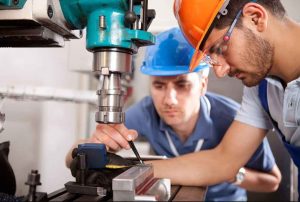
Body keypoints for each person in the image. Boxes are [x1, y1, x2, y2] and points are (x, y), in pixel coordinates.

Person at [66, 28, 281, 201]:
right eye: (159, 86)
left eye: (182, 85)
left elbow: (272, 181)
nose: (169, 99)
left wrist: (229, 170)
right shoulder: (147, 111)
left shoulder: (233, 118)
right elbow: (71, 158)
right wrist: (85, 150)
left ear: (203, 84)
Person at [145, 0, 300, 197]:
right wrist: (126, 171)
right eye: (211, 58)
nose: (219, 72)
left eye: (219, 49)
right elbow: (222, 162)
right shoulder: (261, 87)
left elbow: (268, 179)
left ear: (255, 18)